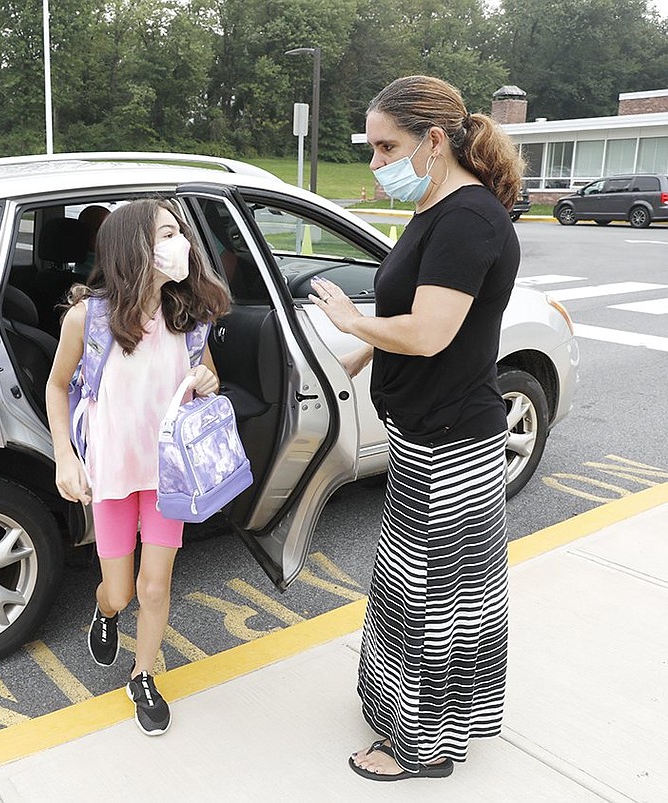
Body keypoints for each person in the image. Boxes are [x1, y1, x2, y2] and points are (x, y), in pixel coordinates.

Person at [308, 75, 524, 781]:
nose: (375, 163)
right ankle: (415, 714)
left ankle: (422, 747)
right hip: (427, 434)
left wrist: (351, 319)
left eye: (386, 146)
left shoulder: (468, 219)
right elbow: (418, 311)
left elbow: (431, 332)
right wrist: (361, 348)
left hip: (451, 439)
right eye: (371, 147)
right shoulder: (436, 210)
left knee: (434, 595)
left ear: (435, 141)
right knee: (426, 587)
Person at [45, 198, 230, 735]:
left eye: (179, 233)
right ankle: (104, 613)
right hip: (112, 472)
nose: (182, 245)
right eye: (167, 234)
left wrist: (208, 382)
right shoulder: (90, 319)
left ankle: (143, 674)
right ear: (133, 249)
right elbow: (58, 385)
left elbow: (207, 375)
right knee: (121, 591)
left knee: (154, 587)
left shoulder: (189, 315)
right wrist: (65, 455)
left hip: (168, 471)